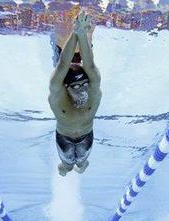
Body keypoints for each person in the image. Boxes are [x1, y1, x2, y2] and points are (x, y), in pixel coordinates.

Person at [48, 11, 102, 176]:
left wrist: (81, 33)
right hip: (64, 138)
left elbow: (90, 66)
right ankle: (65, 167)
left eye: (84, 84)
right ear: (66, 87)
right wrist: (76, 34)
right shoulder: (58, 95)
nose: (82, 89)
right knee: (67, 166)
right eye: (76, 86)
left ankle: (81, 166)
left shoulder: (93, 91)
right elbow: (62, 65)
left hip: (86, 136)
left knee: (82, 163)